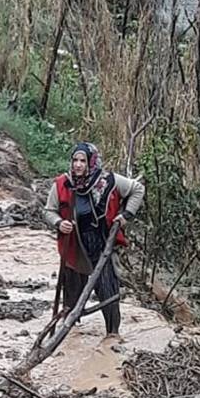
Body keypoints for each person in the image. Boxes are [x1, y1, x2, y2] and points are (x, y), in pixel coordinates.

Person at [43, 142, 145, 335]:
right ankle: (70, 335)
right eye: (75, 160)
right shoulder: (63, 184)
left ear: (91, 162)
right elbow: (49, 211)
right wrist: (59, 223)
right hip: (73, 246)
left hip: (101, 245)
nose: (78, 165)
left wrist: (126, 215)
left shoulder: (108, 181)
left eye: (83, 161)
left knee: (108, 291)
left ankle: (112, 335)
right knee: (71, 295)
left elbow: (137, 189)